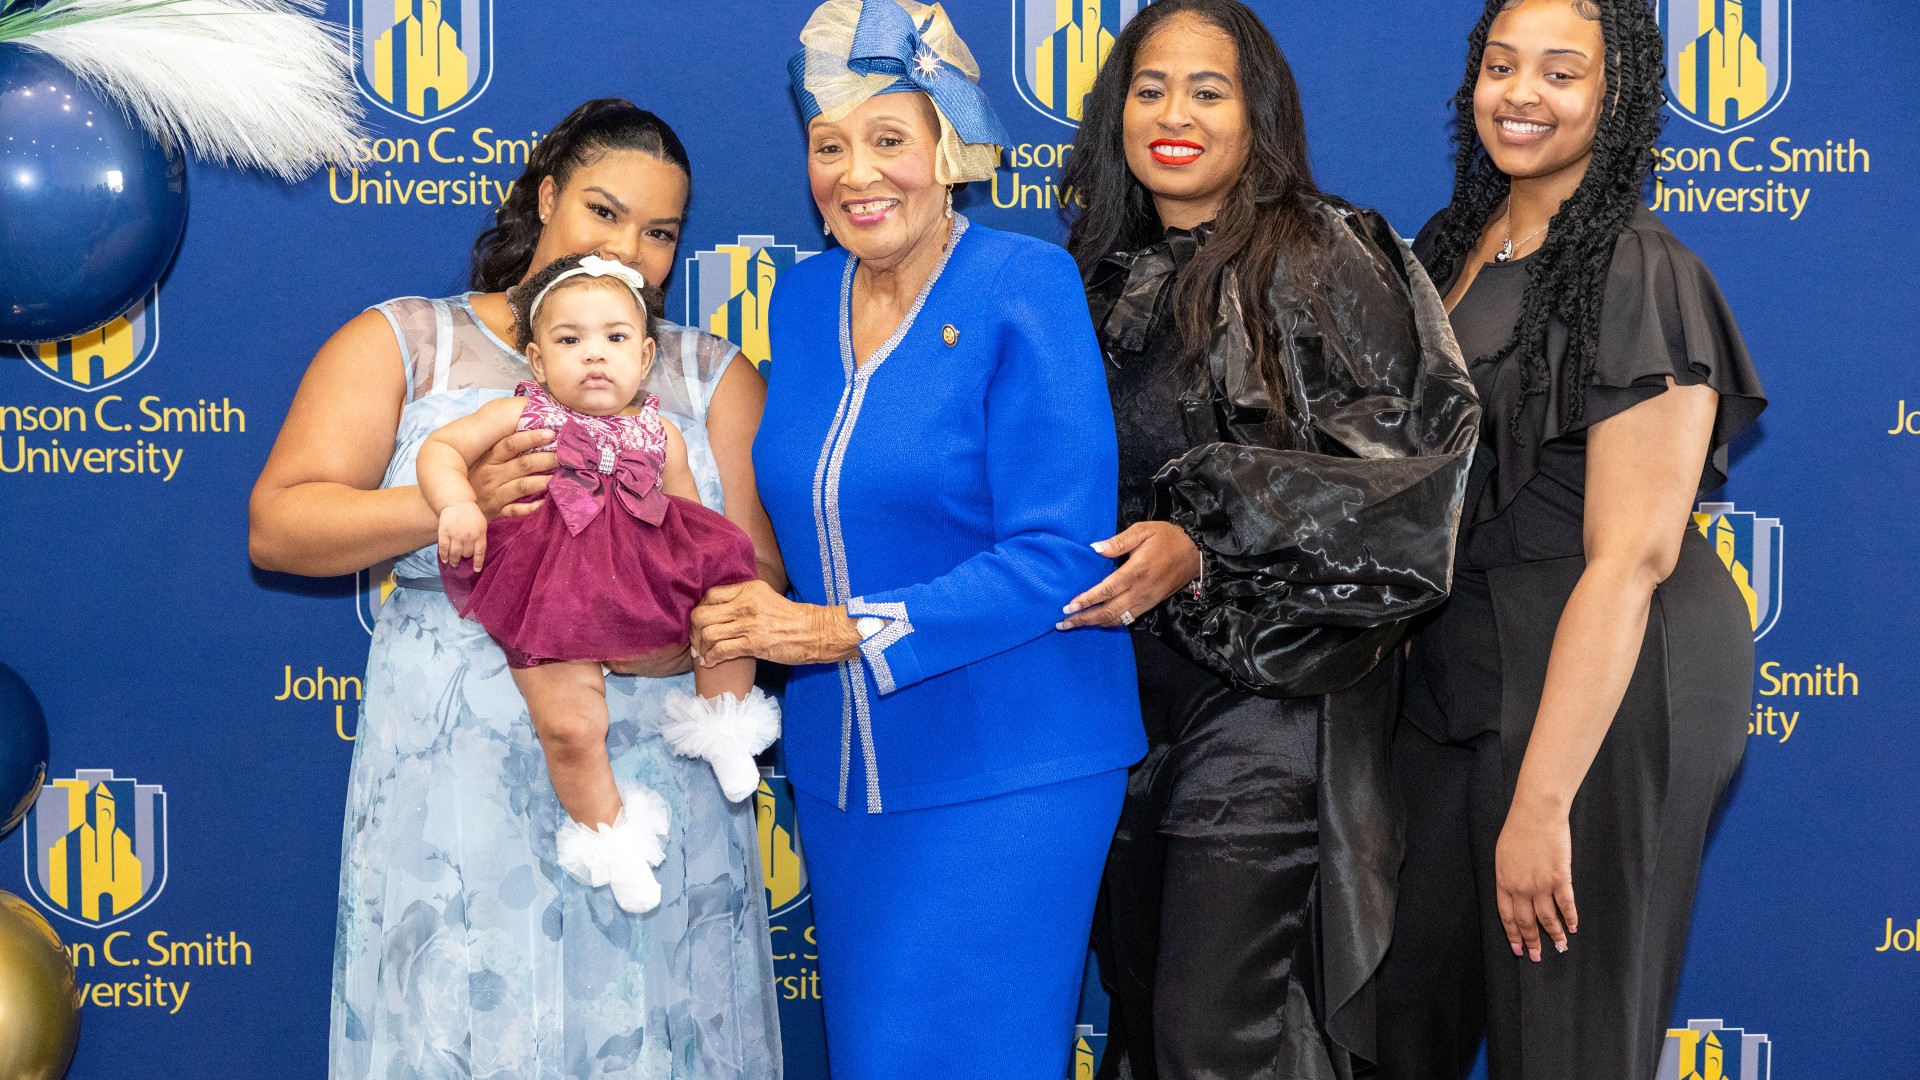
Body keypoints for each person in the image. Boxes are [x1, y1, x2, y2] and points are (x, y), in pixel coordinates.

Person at [249, 99, 784, 1079]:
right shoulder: (408, 343)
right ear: (545, 198)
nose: (630, 248)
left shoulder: (709, 377)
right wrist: (452, 512)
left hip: (657, 788)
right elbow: (279, 526)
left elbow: (758, 578)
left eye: (660, 232)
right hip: (453, 789)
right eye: (604, 212)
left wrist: (671, 630)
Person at [686, 1, 1145, 1075]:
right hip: (849, 778)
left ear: (950, 147)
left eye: (889, 140)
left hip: (1013, 765)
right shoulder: (801, 300)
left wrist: (839, 630)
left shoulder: (1024, 284)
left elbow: (1058, 555)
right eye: (829, 145)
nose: (858, 174)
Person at [1055, 1, 1480, 1077]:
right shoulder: (1085, 277)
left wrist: (1206, 538)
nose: (1174, 115)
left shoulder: (1327, 253)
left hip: (1272, 712)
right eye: (1149, 89)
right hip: (1119, 716)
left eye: (1209, 90)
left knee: (1222, 1039)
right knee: (1150, 1027)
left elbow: (1409, 489)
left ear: (1260, 114)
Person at [1372, 3, 1767, 1078]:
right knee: (1388, 1022)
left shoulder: (1639, 270)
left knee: (1567, 1042)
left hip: (1602, 680)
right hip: (1460, 671)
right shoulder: (1450, 250)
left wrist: (1545, 804)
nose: (1521, 94)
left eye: (1560, 72)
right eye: (1501, 66)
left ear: (1618, 95)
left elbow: (1631, 557)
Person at [417, 253, 778, 914]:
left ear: (644, 359)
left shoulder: (660, 432)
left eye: (614, 339)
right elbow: (440, 449)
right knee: (571, 728)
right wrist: (459, 504)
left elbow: (691, 518)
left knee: (728, 596)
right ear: (535, 361)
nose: (593, 355)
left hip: (641, 580)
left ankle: (725, 723)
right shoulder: (519, 415)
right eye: (569, 339)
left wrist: (701, 586)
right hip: (550, 590)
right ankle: (612, 840)